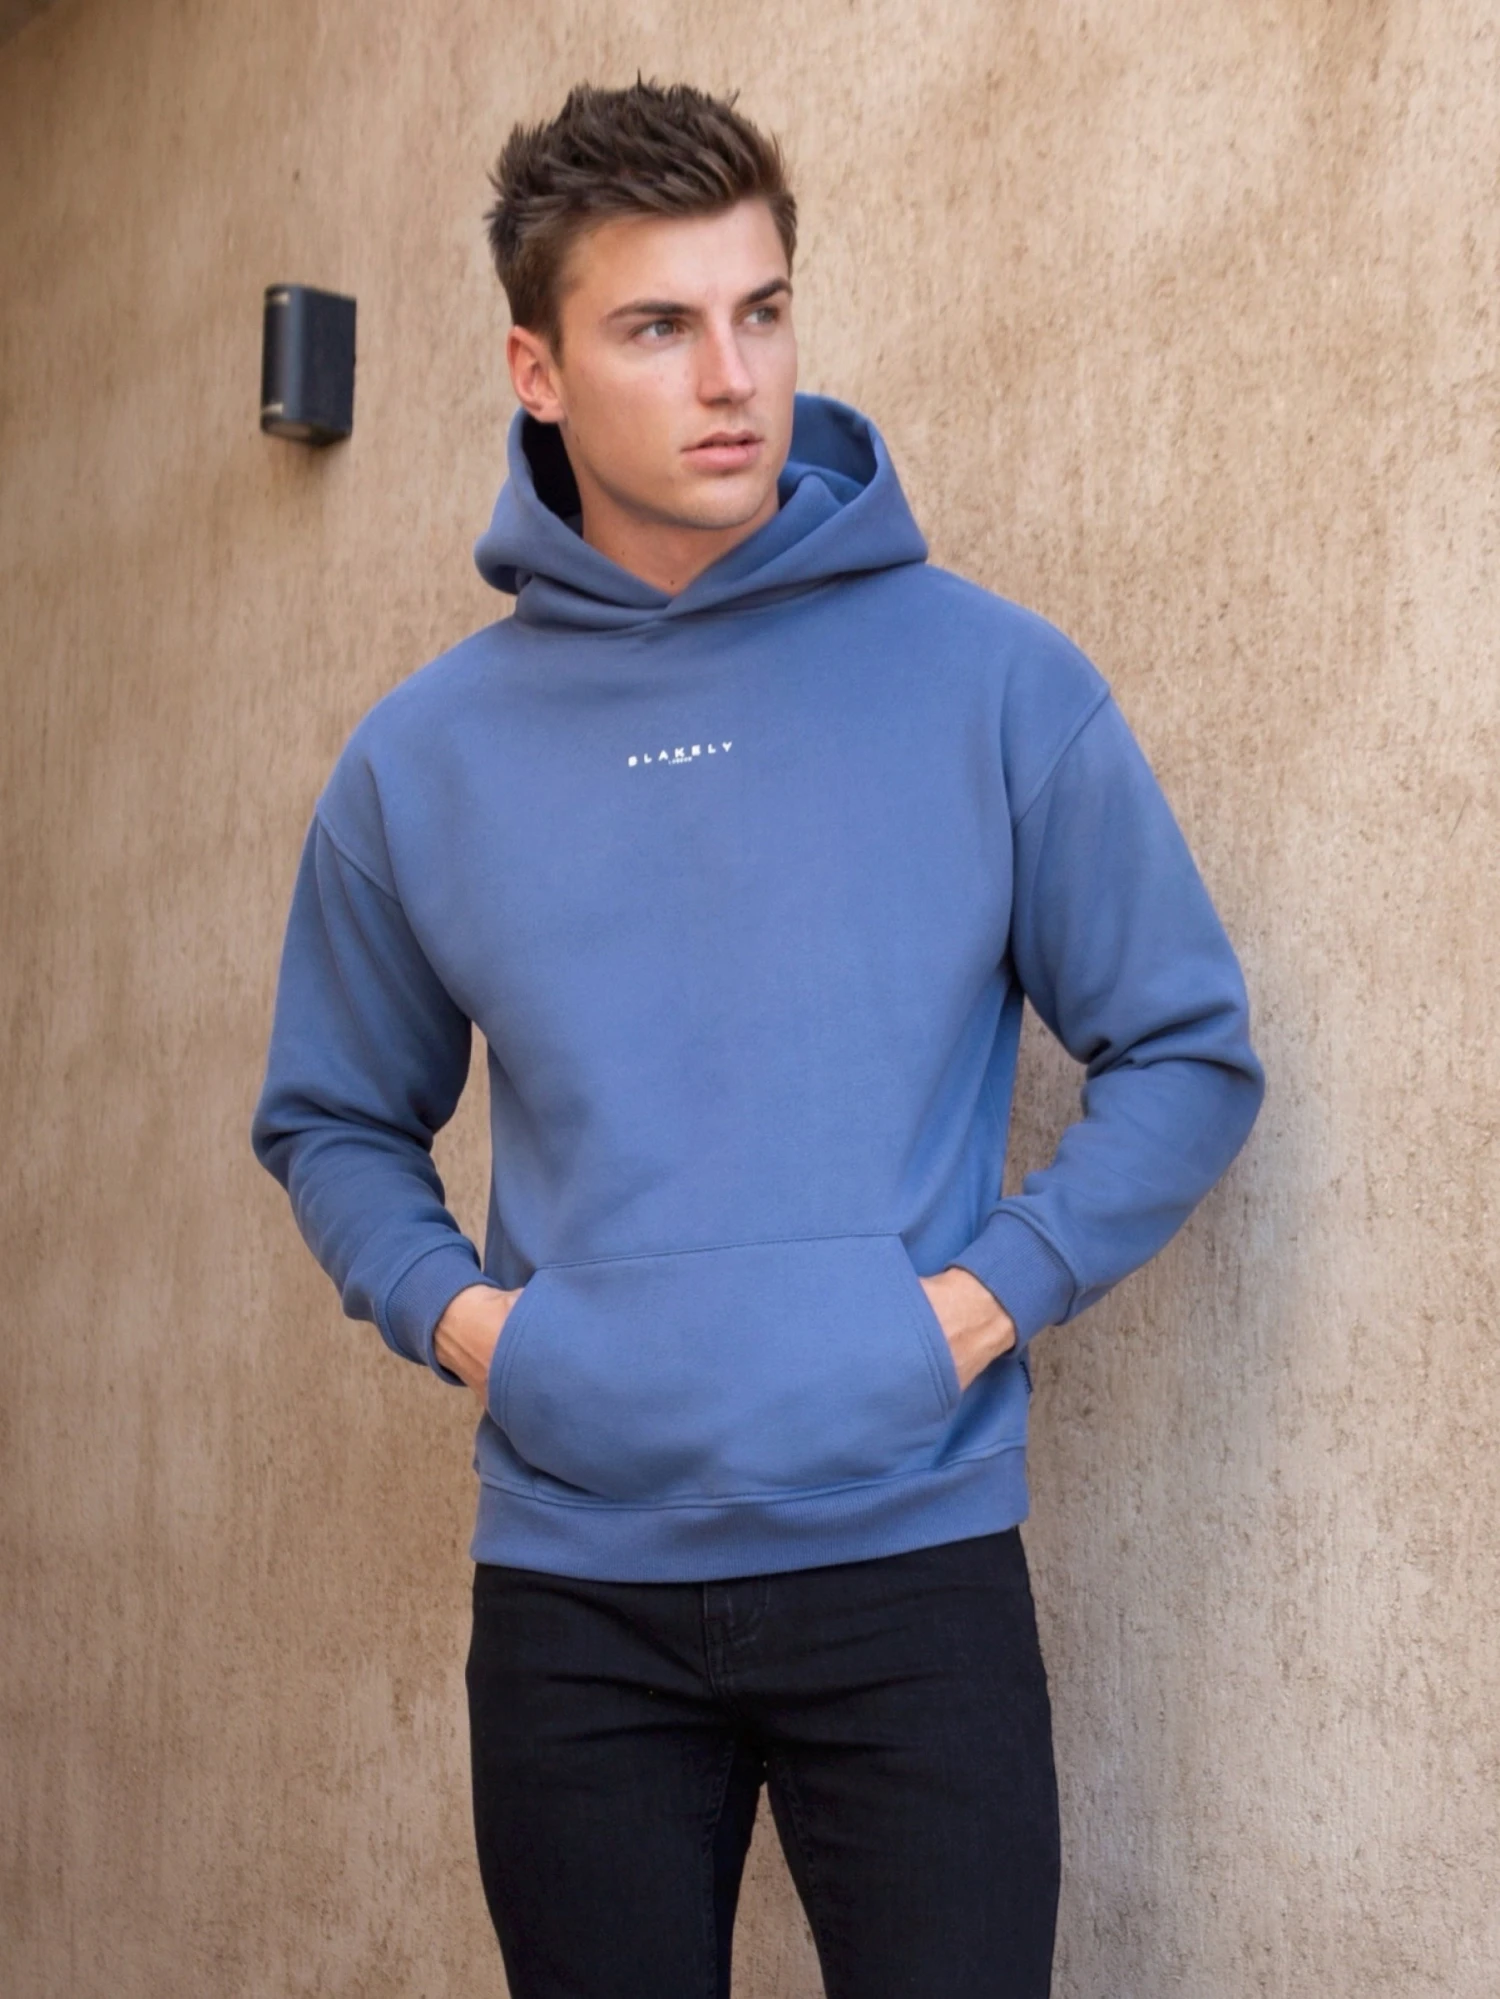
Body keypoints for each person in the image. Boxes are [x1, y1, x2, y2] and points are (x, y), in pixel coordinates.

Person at [250, 77, 1265, 1999]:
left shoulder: (992, 680)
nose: (735, 378)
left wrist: (969, 1308)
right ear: (537, 369)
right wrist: (480, 1328)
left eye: (764, 310)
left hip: (912, 1559)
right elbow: (334, 1120)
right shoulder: (420, 759)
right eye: (659, 326)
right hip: (574, 1596)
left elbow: (1186, 1050)